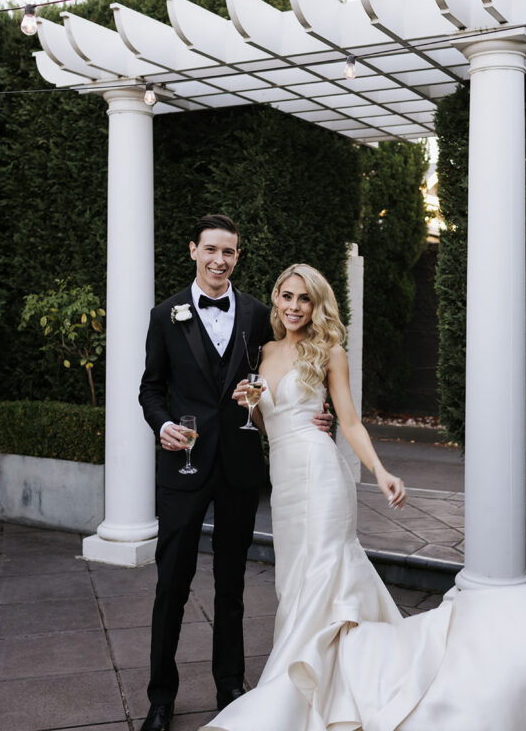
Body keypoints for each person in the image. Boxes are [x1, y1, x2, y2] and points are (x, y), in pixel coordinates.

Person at [200, 263, 526, 731]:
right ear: (275, 298)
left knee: (322, 579)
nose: (294, 307)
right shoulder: (265, 351)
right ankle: (335, 684)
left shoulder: (330, 351)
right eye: (287, 296)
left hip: (321, 477)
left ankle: (296, 690)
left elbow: (350, 422)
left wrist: (380, 471)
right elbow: (268, 425)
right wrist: (251, 406)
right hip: (285, 482)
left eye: (304, 299)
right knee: (295, 586)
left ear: (317, 305)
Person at [138, 218, 332, 731]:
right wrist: (161, 426)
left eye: (229, 252)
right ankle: (161, 697)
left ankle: (230, 683)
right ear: (193, 252)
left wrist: (318, 409)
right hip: (184, 466)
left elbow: (294, 361)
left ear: (238, 257)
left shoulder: (257, 313)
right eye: (210, 250)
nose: (219, 260)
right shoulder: (165, 315)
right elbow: (150, 389)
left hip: (241, 466)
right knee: (171, 584)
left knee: (232, 583)